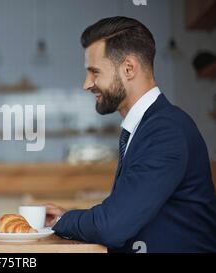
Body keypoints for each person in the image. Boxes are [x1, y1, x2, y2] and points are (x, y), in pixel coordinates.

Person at [46, 16, 216, 253]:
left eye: (94, 72)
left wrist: (64, 222)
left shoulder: (165, 131)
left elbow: (113, 226)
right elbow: (124, 213)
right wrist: (71, 217)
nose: (86, 84)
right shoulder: (147, 126)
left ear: (128, 68)